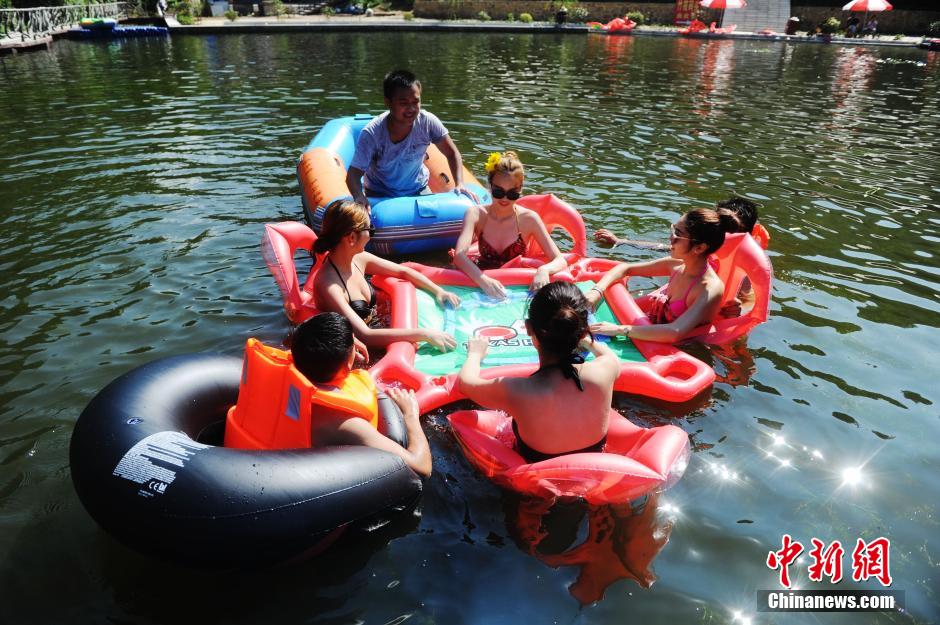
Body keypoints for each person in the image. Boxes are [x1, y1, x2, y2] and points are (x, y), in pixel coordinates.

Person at [457, 282, 620, 462]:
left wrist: (474, 354)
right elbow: (608, 355)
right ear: (582, 332)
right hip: (596, 468)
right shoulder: (606, 369)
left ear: (528, 328)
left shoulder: (516, 390)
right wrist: (584, 338)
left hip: (537, 476)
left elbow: (465, 383)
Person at [292, 313, 432, 477]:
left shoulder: (296, 362)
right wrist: (410, 415)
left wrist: (348, 345)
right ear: (348, 364)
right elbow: (421, 467)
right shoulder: (344, 422)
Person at [312, 199, 461, 351]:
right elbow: (364, 335)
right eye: (370, 229)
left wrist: (439, 291)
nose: (371, 235)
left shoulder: (359, 259)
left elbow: (403, 271)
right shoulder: (329, 286)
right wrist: (424, 334)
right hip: (359, 348)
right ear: (352, 238)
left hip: (376, 326)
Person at [586, 207, 744, 343]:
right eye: (673, 229)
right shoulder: (676, 265)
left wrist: (620, 329)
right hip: (651, 332)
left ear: (699, 248)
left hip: (683, 348)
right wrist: (597, 291)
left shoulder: (709, 289)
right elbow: (625, 268)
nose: (671, 237)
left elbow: (675, 332)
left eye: (677, 234)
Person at [346, 69, 479, 210]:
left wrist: (460, 184)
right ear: (388, 102)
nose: (411, 109)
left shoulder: (427, 122)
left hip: (417, 189)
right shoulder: (372, 133)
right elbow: (353, 175)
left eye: (415, 102)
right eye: (403, 103)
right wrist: (359, 196)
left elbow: (452, 153)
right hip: (379, 193)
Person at [453, 151, 568, 299]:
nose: (505, 199)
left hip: (516, 283)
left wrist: (544, 270)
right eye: (498, 192)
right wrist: (483, 280)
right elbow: (459, 256)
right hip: (483, 277)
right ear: (490, 186)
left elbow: (560, 260)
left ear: (520, 189)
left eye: (512, 193)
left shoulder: (529, 219)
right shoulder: (476, 214)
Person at [594, 195, 760, 251]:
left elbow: (749, 298)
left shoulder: (746, 263)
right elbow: (665, 248)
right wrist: (621, 241)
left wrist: (738, 306)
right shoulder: (697, 247)